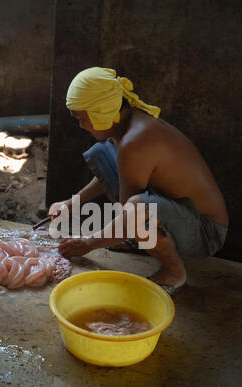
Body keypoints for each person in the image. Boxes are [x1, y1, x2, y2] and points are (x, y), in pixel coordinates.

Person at [49, 67, 229, 295]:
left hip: (206, 231)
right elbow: (124, 175)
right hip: (178, 210)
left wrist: (88, 243)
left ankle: (174, 272)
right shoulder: (127, 124)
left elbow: (131, 213)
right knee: (101, 154)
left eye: (82, 119)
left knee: (136, 210)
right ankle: (139, 239)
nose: (81, 126)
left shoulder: (135, 142)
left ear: (101, 112)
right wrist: (72, 202)